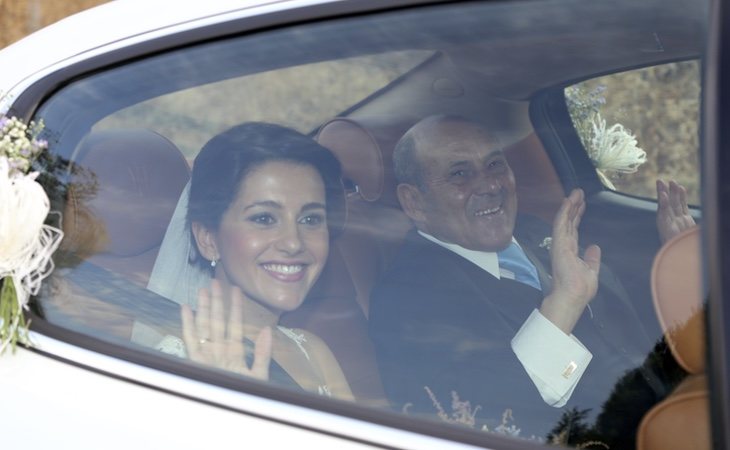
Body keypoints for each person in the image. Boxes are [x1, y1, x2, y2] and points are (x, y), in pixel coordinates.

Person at [368, 115, 695, 438]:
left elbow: (618, 312)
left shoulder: (533, 230)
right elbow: (486, 417)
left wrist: (679, 267)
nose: (490, 185)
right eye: (460, 174)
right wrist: (564, 304)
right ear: (414, 202)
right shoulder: (404, 298)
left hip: (676, 402)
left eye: (495, 165)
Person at [143, 122, 353, 400]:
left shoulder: (313, 350)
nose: (293, 242)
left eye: (310, 219)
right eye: (264, 218)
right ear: (208, 239)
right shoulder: (176, 366)